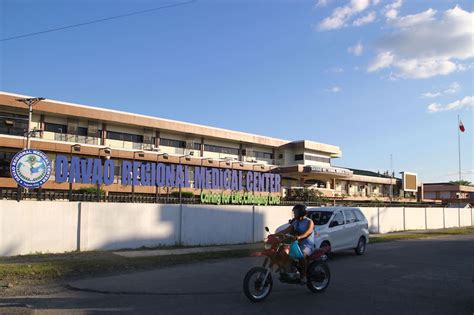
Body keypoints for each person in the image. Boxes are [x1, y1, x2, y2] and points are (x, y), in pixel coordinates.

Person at [278, 204, 315, 284]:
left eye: (295, 212)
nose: (294, 214)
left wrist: (299, 237)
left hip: (308, 244)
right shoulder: (295, 221)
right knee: (285, 253)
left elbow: (307, 233)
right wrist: (276, 234)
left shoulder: (309, 222)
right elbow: (287, 230)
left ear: (301, 212)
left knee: (302, 255)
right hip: (296, 244)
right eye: (294, 212)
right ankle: (292, 270)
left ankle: (304, 276)